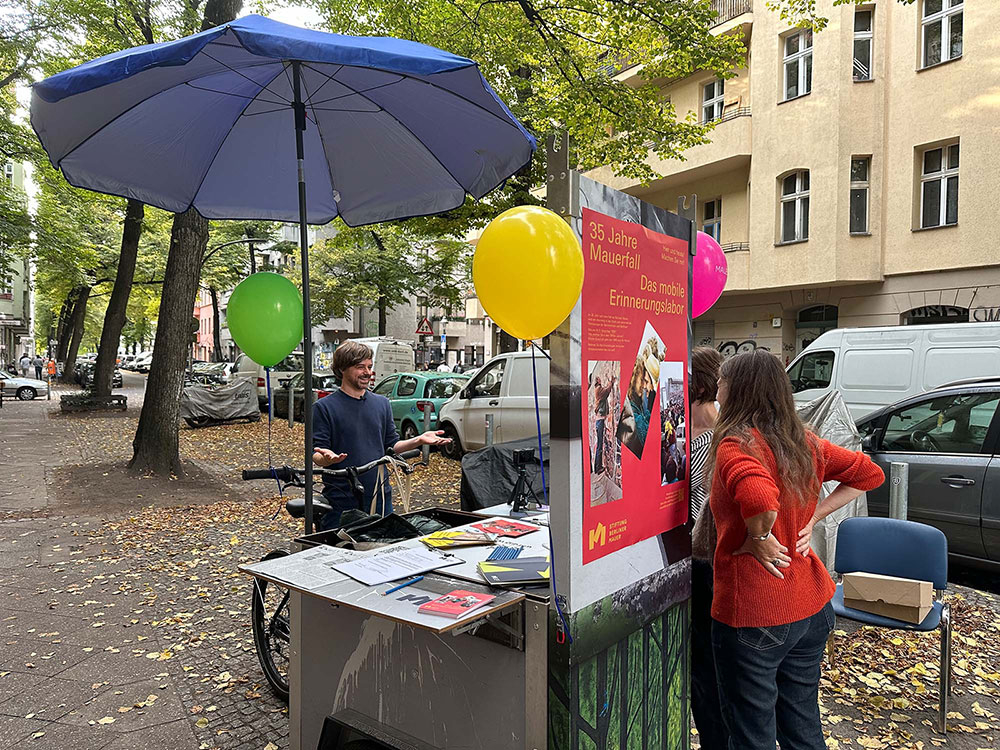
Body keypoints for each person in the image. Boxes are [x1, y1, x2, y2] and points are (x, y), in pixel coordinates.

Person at [708, 349, 884, 750]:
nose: (717, 388)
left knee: (752, 736)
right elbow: (869, 473)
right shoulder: (802, 441)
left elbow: (759, 496)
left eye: (722, 381)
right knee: (802, 729)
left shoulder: (736, 445)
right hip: (810, 607)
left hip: (755, 614)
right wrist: (812, 517)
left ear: (738, 389)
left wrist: (758, 537)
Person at [313, 341, 451, 530]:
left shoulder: (381, 404)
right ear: (342, 369)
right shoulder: (324, 408)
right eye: (360, 367)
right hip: (341, 501)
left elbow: (392, 445)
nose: (367, 372)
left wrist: (418, 440)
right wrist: (327, 458)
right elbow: (317, 454)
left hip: (380, 497)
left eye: (369, 366)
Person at [686, 346, 727, 749]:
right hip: (699, 557)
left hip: (704, 561)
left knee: (707, 671)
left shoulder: (710, 440)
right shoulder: (700, 431)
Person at [591, 374, 615, 474]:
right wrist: (611, 382)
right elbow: (607, 391)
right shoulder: (599, 390)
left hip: (600, 420)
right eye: (599, 378)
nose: (600, 379)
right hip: (600, 421)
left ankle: (597, 467)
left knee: (600, 444)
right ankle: (598, 468)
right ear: (598, 380)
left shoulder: (598, 389)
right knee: (600, 445)